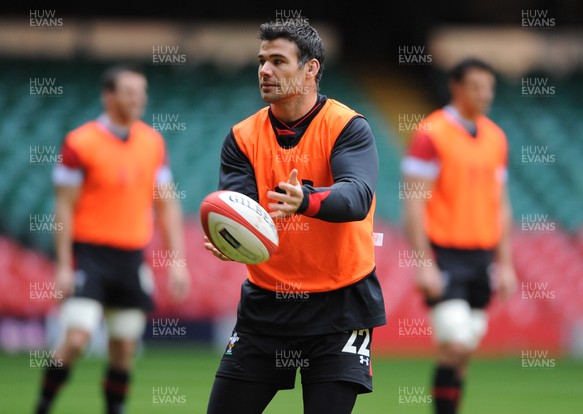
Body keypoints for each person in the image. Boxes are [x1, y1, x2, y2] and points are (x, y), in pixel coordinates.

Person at [203, 19, 386, 414]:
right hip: (268, 305)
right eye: (261, 61)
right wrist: (229, 237)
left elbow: (356, 197)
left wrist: (305, 200)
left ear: (311, 69)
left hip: (341, 305)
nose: (264, 71)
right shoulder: (241, 138)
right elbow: (244, 211)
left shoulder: (348, 127)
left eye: (277, 61)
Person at [33, 64, 190, 414]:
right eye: (131, 92)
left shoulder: (153, 142)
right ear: (109, 96)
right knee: (77, 338)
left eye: (142, 92)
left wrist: (177, 262)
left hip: (131, 257)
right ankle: (43, 406)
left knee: (123, 348)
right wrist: (62, 265)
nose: (139, 99)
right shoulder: (80, 143)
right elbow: (63, 207)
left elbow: (167, 205)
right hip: (88, 255)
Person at [401, 57, 518, 414]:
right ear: (456, 87)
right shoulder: (430, 133)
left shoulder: (496, 138)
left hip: (482, 256)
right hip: (445, 253)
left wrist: (507, 264)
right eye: (477, 87)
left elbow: (502, 206)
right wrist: (423, 264)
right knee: (454, 342)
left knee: (465, 350)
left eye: (490, 88)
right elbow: (413, 203)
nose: (485, 95)